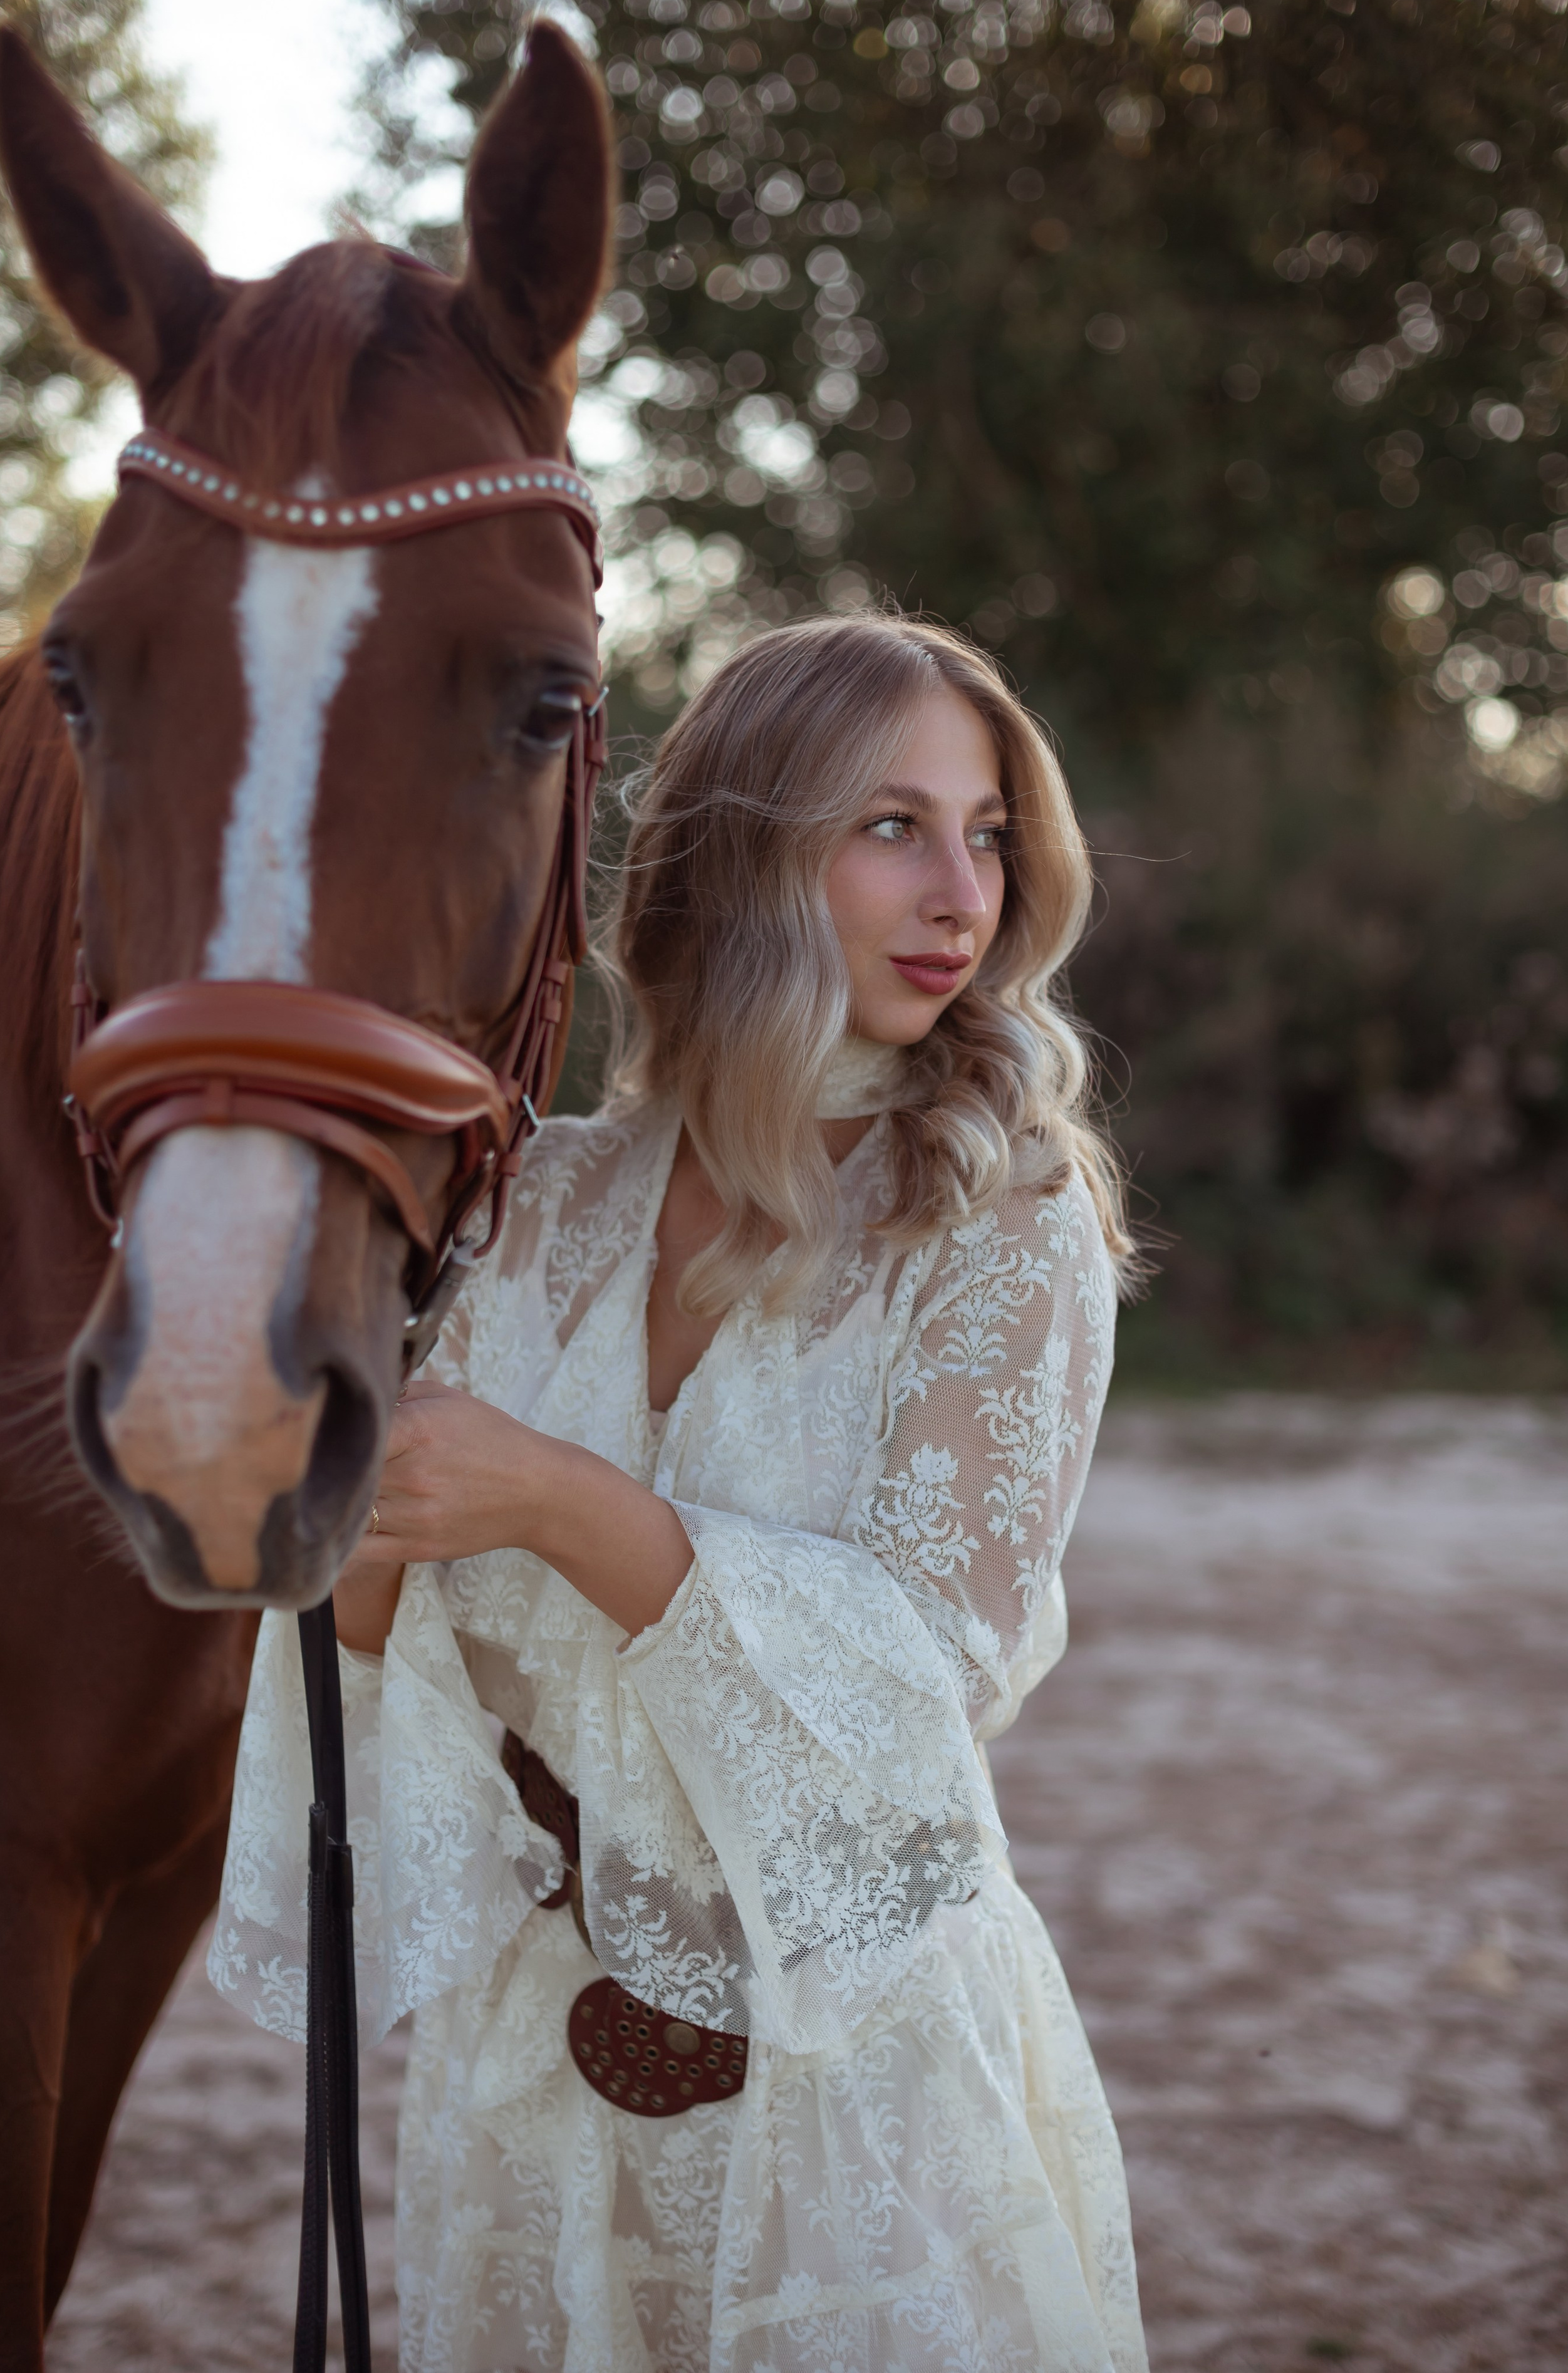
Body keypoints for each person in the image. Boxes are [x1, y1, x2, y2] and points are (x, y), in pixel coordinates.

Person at [212, 611, 1148, 2373]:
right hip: (528, 2077)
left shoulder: (999, 1221)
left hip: (846, 2080)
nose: (964, 890)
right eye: (892, 827)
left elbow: (927, 1677)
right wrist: (348, 1508)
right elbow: (386, 1662)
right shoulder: (540, 1204)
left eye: (990, 833)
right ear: (737, 856)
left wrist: (557, 1498)